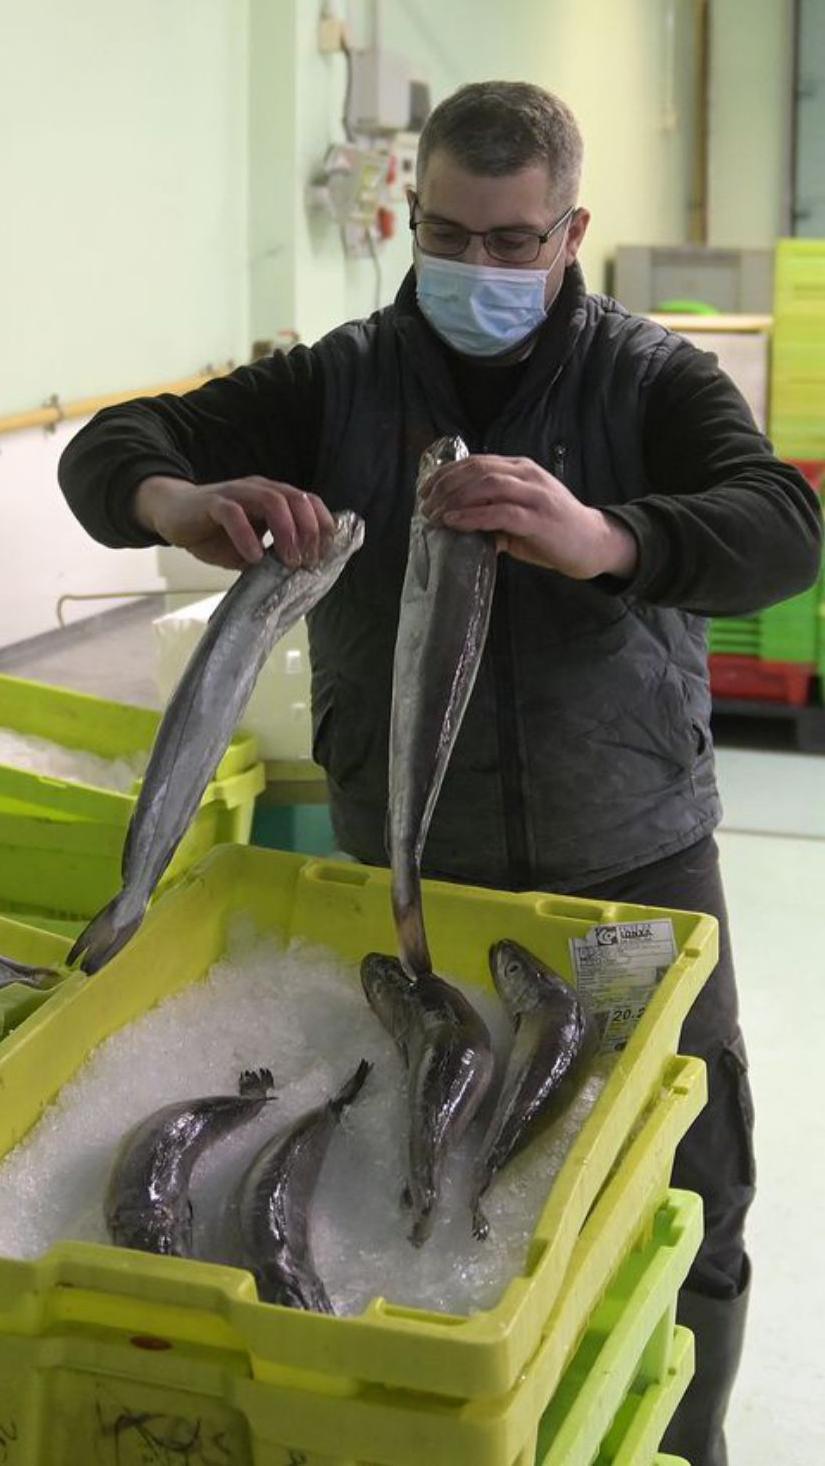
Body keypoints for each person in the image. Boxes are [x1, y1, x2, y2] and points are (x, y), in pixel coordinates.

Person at [59, 81, 821, 1464]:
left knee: (688, 1177)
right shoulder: (332, 381)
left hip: (630, 864)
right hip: (416, 872)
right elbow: (118, 448)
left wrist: (605, 537)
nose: (482, 267)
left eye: (515, 240)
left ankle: (685, 1438)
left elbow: (779, 525)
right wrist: (180, 502)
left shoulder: (650, 378)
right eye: (453, 235)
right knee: (433, 1173)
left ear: (570, 228)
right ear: (412, 217)